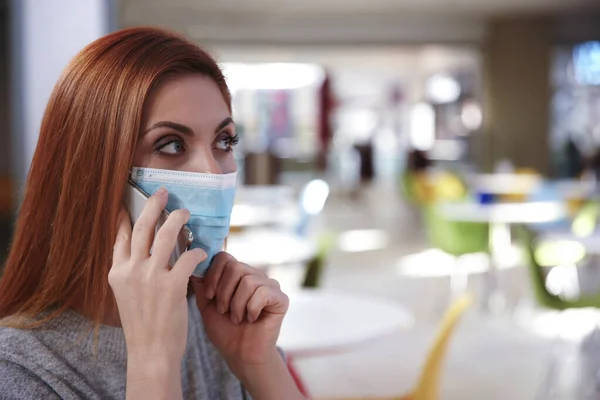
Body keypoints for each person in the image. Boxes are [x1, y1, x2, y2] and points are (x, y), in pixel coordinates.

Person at [0, 28, 304, 400]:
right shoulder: (18, 370)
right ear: (93, 172)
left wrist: (259, 364)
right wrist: (153, 362)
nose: (214, 173)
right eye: (172, 144)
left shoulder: (218, 322)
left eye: (223, 141)